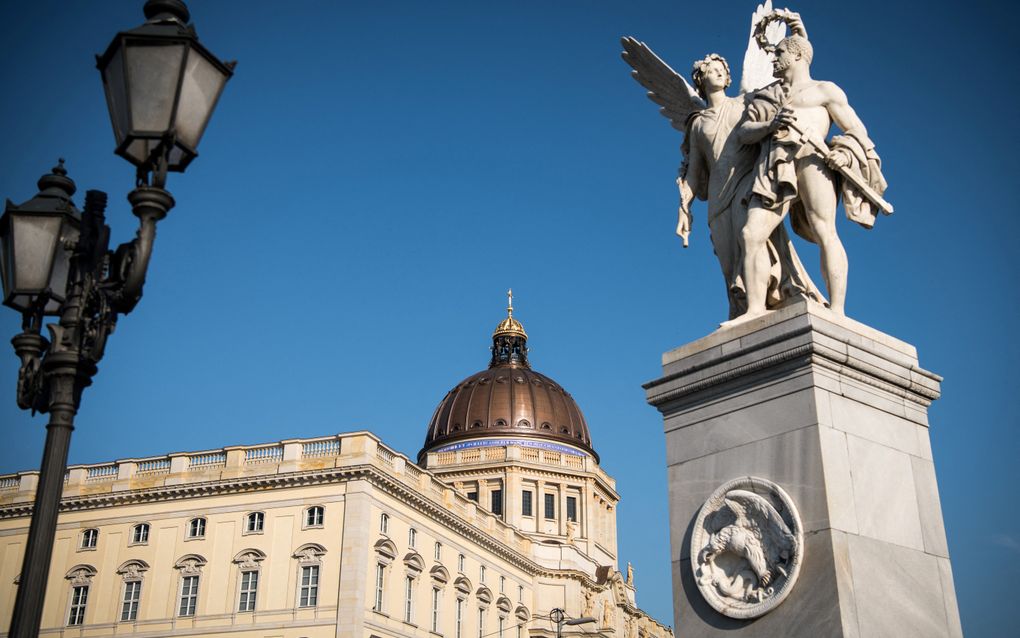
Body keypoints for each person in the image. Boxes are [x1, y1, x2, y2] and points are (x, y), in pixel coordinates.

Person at [733, 33, 887, 321]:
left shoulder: (824, 90)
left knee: (825, 230)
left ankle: (838, 311)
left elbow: (858, 132)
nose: (774, 59)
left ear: (797, 55)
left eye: (779, 53)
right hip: (774, 163)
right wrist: (770, 124)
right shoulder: (768, 95)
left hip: (813, 161)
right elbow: (744, 133)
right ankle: (755, 309)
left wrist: (845, 154)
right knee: (751, 234)